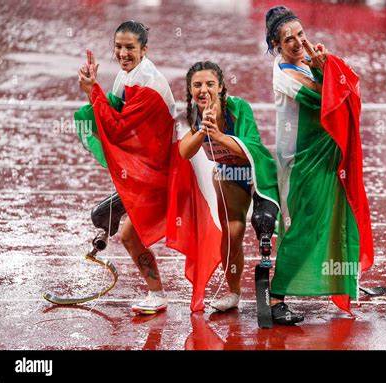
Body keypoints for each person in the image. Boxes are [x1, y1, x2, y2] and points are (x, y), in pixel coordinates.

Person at [76, 21, 222, 315]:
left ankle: (160, 294)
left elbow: (117, 128)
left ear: (144, 49)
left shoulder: (148, 86)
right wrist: (94, 90)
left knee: (130, 235)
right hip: (151, 169)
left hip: (161, 175)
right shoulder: (129, 74)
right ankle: (160, 292)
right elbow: (116, 113)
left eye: (130, 47)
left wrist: (92, 91)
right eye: (118, 46)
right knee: (118, 226)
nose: (122, 52)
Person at [265, 6, 375, 323]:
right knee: (302, 227)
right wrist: (326, 68)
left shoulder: (305, 64)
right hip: (301, 164)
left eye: (301, 35)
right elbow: (331, 98)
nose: (298, 42)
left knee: (336, 217)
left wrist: (324, 67)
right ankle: (276, 299)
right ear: (276, 44)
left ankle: (340, 279)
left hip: (322, 158)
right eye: (289, 39)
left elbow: (344, 89)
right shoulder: (286, 75)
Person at [179, 61, 280, 312]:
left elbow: (252, 147)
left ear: (221, 87)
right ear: (190, 90)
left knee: (269, 224)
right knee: (232, 234)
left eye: (210, 84)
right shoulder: (196, 114)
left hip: (258, 174)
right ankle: (233, 292)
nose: (203, 89)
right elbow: (183, 151)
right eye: (197, 85)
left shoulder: (238, 108)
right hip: (228, 175)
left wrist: (221, 136)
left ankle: (281, 291)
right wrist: (203, 132)